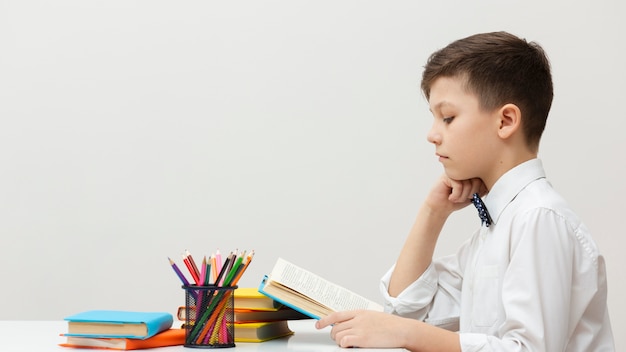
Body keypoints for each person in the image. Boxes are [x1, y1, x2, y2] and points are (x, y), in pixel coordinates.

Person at [315, 31, 615, 351]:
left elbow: (528, 348)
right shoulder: (494, 229)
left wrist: (406, 334)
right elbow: (405, 309)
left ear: (506, 121)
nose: (432, 135)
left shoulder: (538, 220)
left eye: (447, 117)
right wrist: (432, 213)